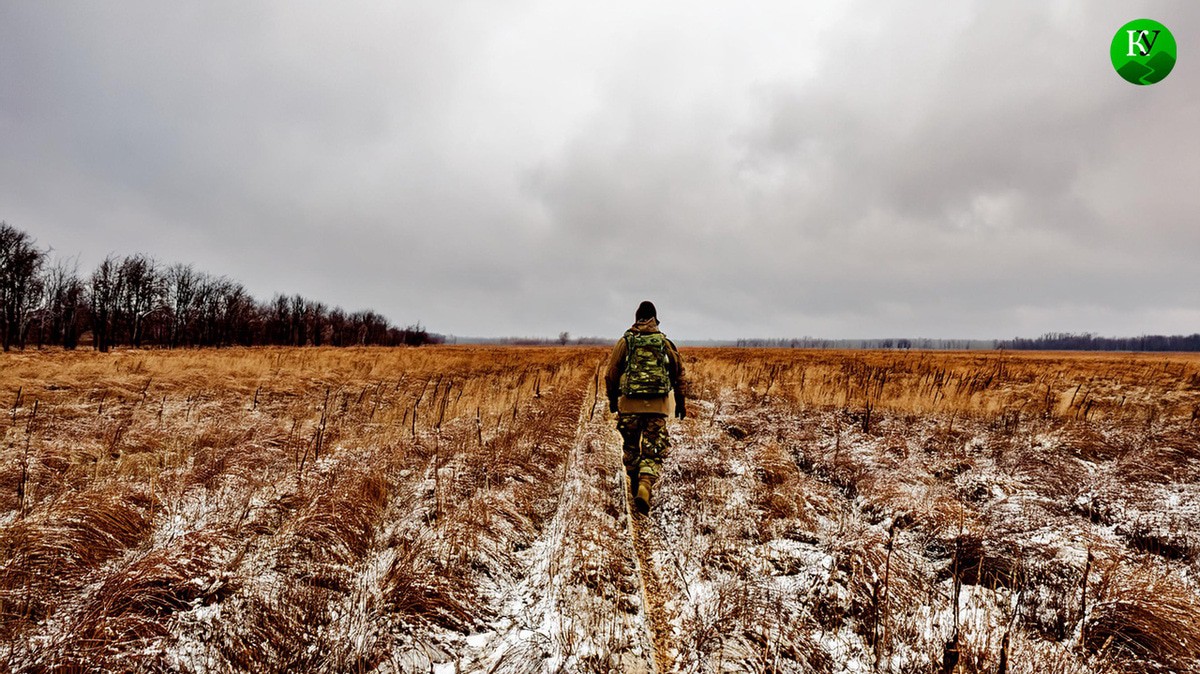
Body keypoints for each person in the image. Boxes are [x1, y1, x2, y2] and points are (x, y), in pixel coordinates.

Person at [605, 300, 686, 514]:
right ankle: (645, 485)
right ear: (655, 319)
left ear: (636, 319)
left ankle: (634, 484)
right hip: (657, 407)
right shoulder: (664, 343)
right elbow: (678, 374)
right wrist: (681, 401)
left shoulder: (626, 342)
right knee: (653, 450)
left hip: (629, 406)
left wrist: (613, 401)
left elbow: (611, 373)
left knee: (631, 447)